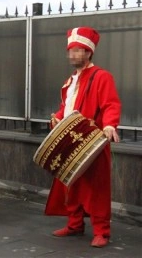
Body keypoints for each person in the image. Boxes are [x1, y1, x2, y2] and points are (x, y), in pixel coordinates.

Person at [45, 26, 121, 248]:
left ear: (89, 52)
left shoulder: (101, 76)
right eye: (71, 50)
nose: (73, 55)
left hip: (92, 141)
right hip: (70, 140)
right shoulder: (71, 80)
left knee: (96, 187)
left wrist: (109, 125)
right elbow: (66, 107)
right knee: (71, 184)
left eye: (78, 50)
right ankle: (75, 224)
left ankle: (102, 231)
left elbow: (111, 104)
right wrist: (57, 117)